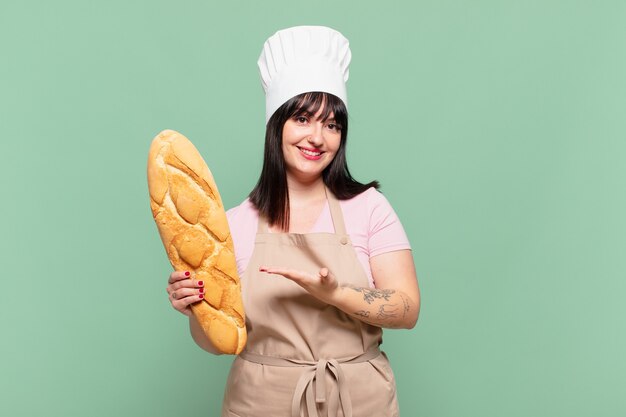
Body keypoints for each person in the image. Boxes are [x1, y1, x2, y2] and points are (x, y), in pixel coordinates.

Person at [165, 26, 420, 417]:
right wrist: (196, 309)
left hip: (358, 400)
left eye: (332, 124)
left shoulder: (369, 207)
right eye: (302, 119)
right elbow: (216, 342)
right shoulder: (232, 225)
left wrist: (336, 293)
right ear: (276, 125)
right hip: (260, 402)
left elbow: (406, 309)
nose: (318, 137)